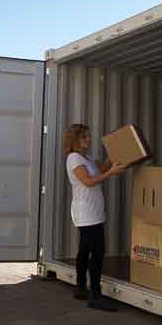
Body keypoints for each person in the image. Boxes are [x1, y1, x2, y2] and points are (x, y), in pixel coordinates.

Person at [64, 124, 126, 311]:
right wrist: (111, 173)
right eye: (84, 138)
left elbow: (104, 166)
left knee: (84, 249)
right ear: (75, 140)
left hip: (93, 211)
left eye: (89, 137)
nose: (88, 140)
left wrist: (116, 150)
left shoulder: (87, 158)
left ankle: (81, 287)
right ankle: (95, 295)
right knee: (97, 252)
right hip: (87, 213)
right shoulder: (74, 158)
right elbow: (88, 181)